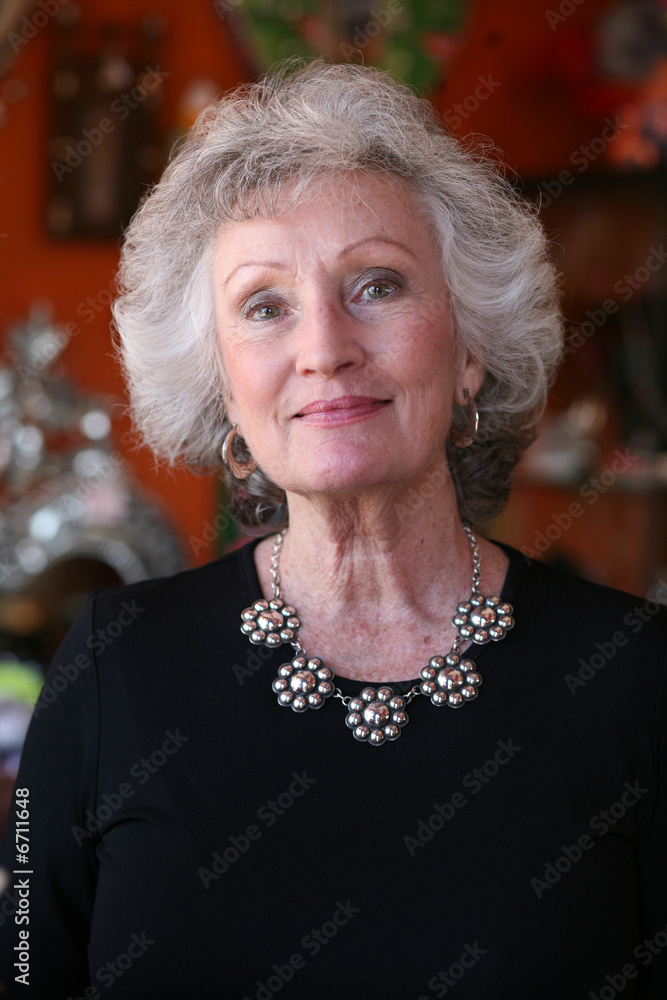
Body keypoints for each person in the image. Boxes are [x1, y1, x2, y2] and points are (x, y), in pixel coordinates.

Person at [0, 58, 665, 1000]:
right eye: (265, 307)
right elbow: (25, 972)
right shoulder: (114, 669)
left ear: (470, 347)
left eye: (377, 285)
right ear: (223, 385)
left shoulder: (633, 679)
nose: (323, 349)